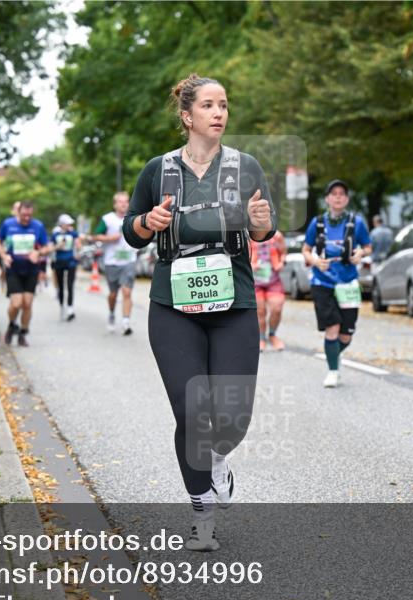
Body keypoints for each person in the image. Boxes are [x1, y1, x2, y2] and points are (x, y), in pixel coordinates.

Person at [123, 73, 276, 551]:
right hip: (174, 304)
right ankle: (201, 514)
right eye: (208, 105)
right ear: (187, 116)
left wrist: (261, 225)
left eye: (224, 105)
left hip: (234, 301)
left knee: (230, 416)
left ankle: (218, 458)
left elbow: (263, 230)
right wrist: (149, 222)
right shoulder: (159, 170)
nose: (219, 113)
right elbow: (131, 229)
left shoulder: (245, 166)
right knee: (191, 411)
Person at [301, 180, 372, 388]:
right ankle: (333, 371)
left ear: (347, 199)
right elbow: (306, 249)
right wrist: (315, 261)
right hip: (322, 282)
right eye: (334, 193)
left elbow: (367, 247)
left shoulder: (356, 222)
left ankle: (333, 354)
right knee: (331, 328)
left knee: (346, 335)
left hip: (348, 283)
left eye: (342, 193)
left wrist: (360, 253)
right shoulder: (318, 222)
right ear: (327, 199)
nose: (338, 197)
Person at [0, 201, 50, 347]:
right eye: (24, 215)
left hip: (31, 269)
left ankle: (23, 332)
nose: (27, 218)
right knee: (16, 303)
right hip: (13, 268)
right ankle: (11, 324)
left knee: (27, 303)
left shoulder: (38, 226)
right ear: (18, 212)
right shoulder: (8, 224)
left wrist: (38, 252)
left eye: (30, 215)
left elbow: (47, 246)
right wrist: (3, 256)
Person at [93, 191, 137, 334]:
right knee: (113, 294)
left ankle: (126, 322)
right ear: (115, 204)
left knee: (127, 291)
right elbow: (96, 236)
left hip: (129, 260)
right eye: (120, 201)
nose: (124, 204)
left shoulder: (133, 217)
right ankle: (111, 313)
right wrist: (109, 238)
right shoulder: (107, 219)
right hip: (112, 262)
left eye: (126, 201)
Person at [248, 231, 288, 351]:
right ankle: (261, 338)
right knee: (260, 311)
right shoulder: (248, 236)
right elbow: (242, 258)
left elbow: (284, 254)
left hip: (273, 279)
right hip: (255, 281)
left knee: (277, 308)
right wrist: (251, 265)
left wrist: (282, 263)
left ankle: (272, 335)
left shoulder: (277, 236)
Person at [51, 214, 81, 321]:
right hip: (59, 262)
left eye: (69, 223)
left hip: (71, 262)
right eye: (67, 223)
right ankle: (62, 306)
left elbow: (78, 245)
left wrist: (78, 247)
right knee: (61, 286)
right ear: (61, 224)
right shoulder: (55, 235)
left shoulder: (73, 234)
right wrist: (57, 246)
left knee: (70, 285)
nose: (69, 225)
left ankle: (70, 309)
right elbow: (50, 248)